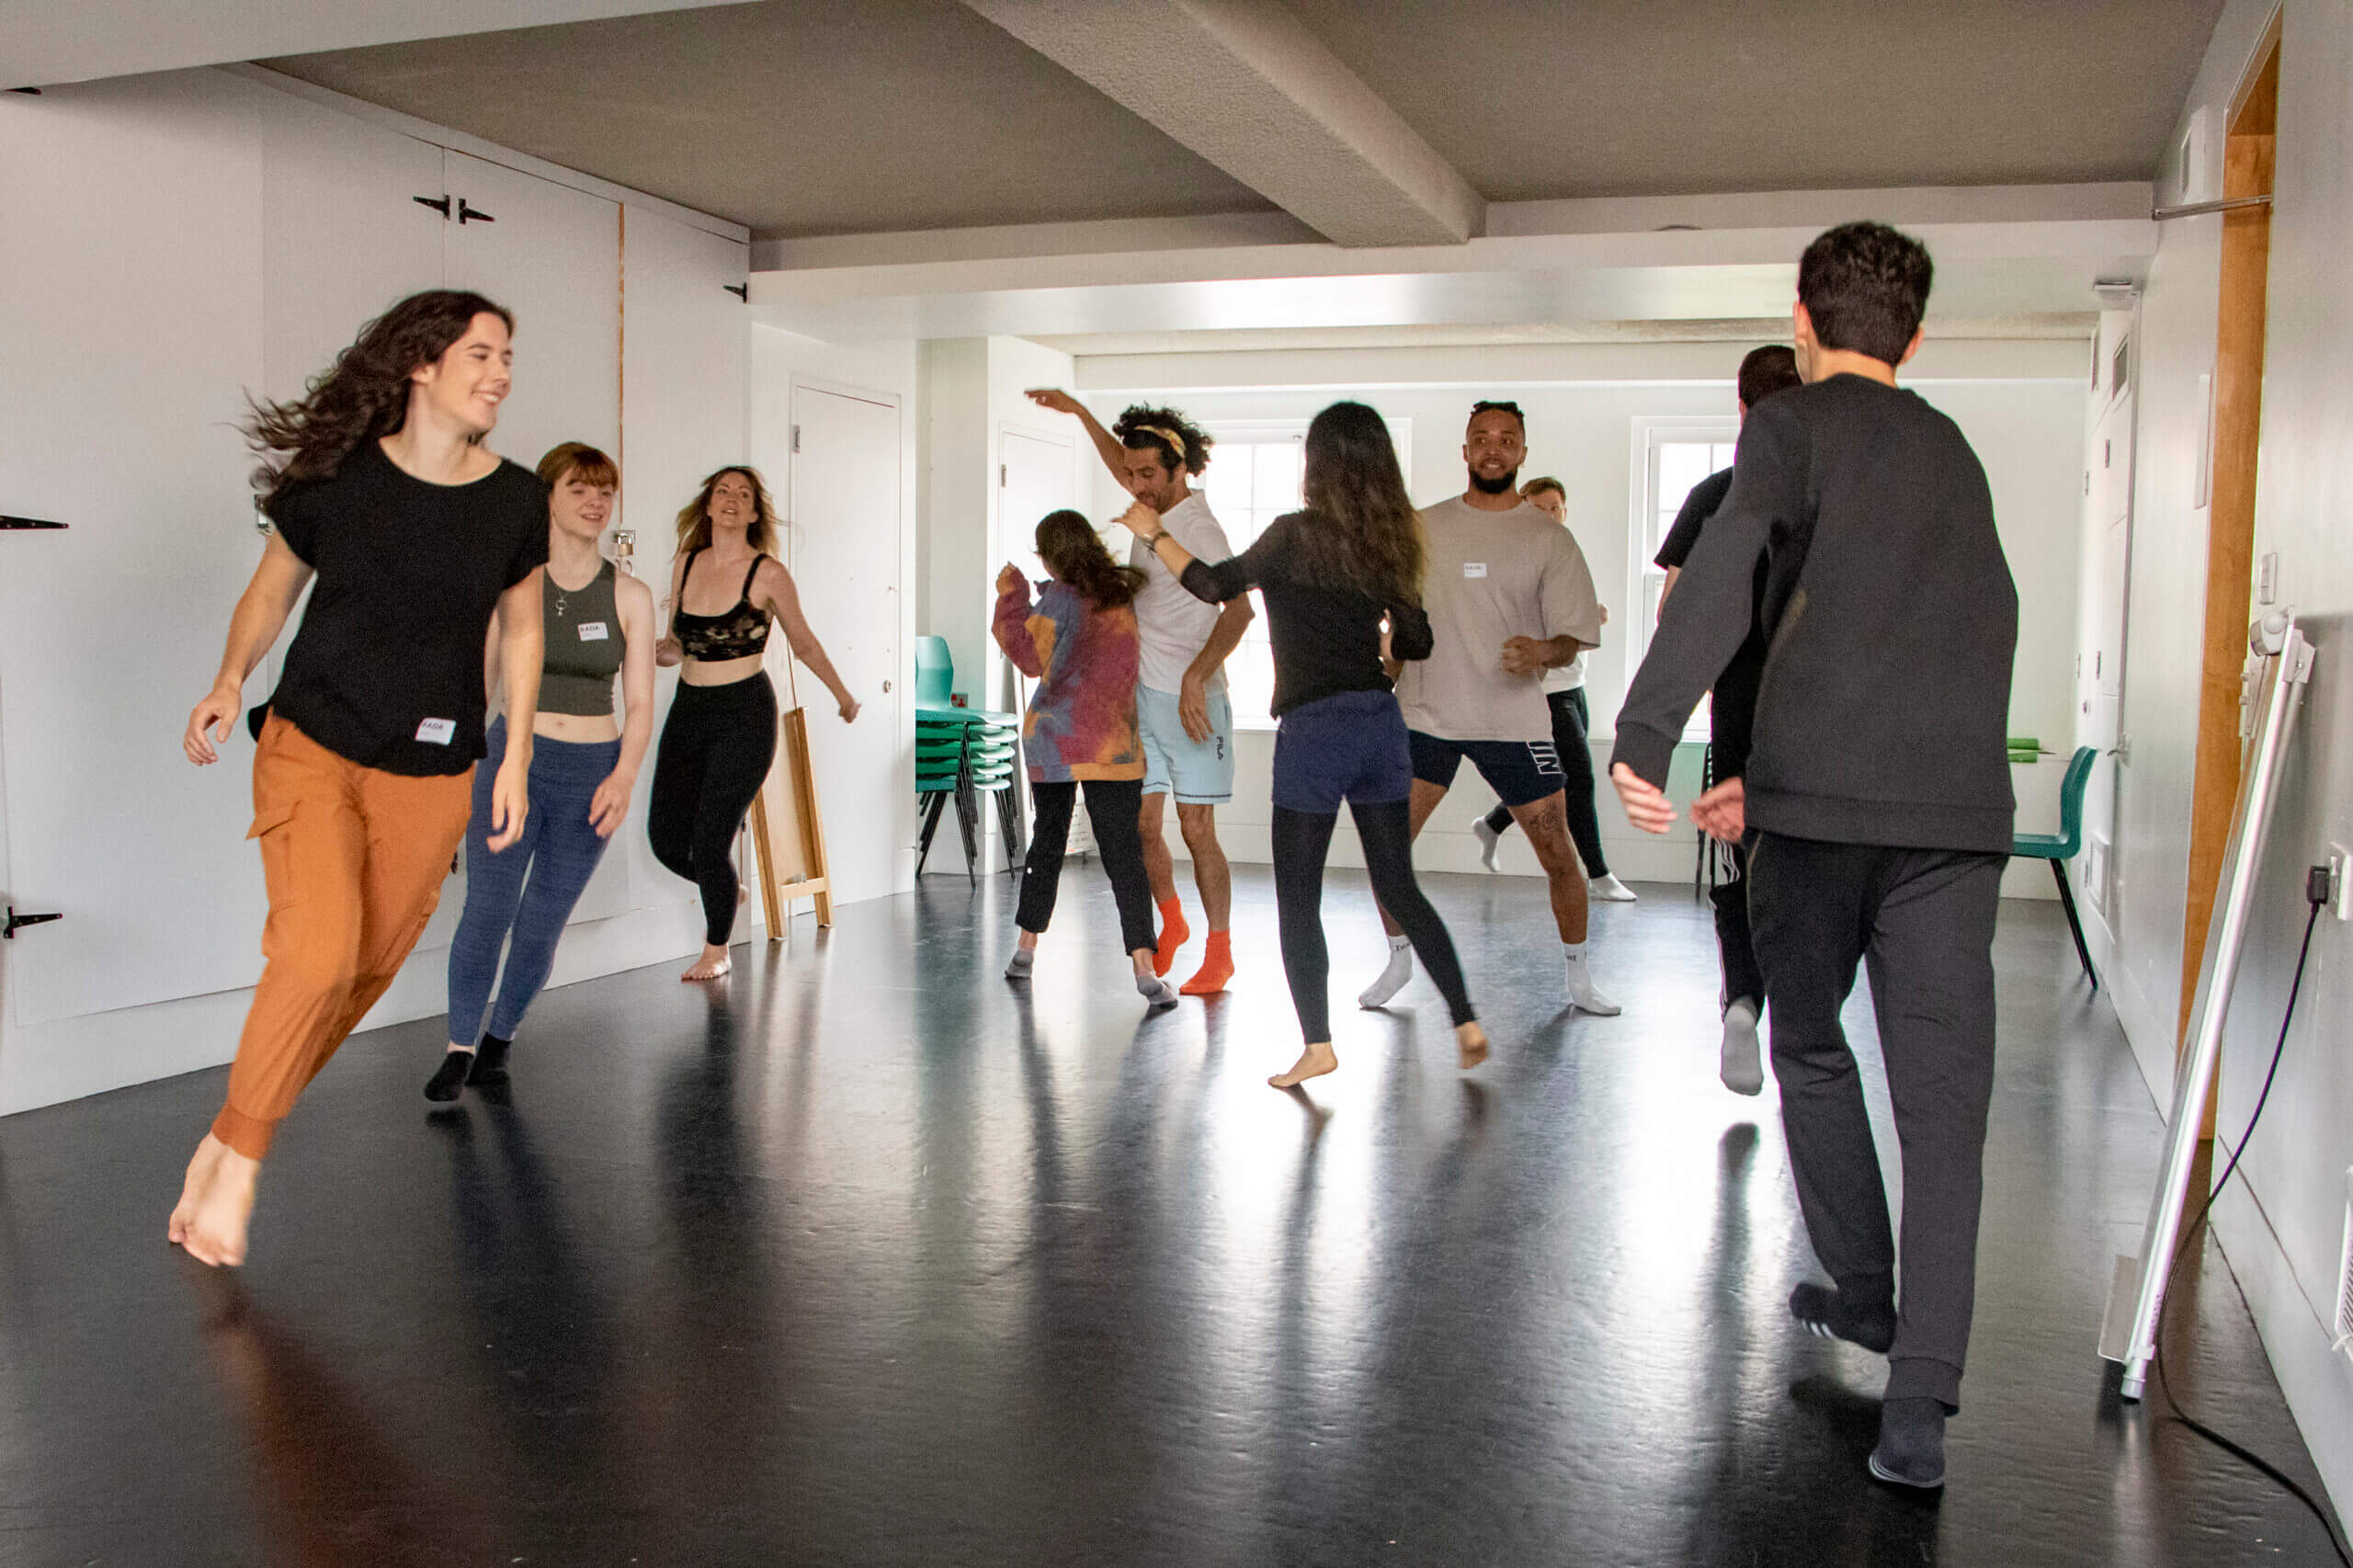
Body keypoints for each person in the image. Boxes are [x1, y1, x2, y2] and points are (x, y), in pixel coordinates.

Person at [1610, 222, 2018, 1491]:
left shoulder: (1786, 427)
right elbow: (1963, 621)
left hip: (1823, 823)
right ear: (1918, 333)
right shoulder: (1952, 450)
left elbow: (1728, 567)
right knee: (1946, 1111)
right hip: (1952, 820)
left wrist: (1647, 728)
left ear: (1803, 318)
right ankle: (1918, 1410)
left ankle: (1867, 1289)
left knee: (1805, 1041)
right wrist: (1771, 781)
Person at [173, 290, 548, 1267]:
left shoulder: (515, 499)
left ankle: (224, 1133)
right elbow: (269, 591)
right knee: (317, 952)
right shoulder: (337, 478)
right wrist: (226, 681)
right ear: (421, 364)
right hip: (314, 742)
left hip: (432, 767)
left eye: (507, 355)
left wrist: (512, 755)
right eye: (481, 353)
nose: (501, 372)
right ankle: (242, 1166)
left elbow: (524, 628)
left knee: (365, 967)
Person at [1122, 401, 1486, 1088]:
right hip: (1380, 726)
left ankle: (1318, 1045)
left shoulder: (1294, 535)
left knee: (1298, 898)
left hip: (1315, 734)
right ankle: (1465, 1018)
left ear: (1315, 464)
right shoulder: (1388, 541)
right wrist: (1384, 647)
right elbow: (1417, 641)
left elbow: (1212, 584)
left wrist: (1152, 532)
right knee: (1398, 884)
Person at [1358, 401, 1618, 1018]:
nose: (1493, 449)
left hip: (1512, 720)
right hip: (1427, 715)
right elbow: (1390, 614)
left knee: (1559, 851)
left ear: (1522, 452)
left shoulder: (1548, 537)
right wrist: (1383, 667)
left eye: (1506, 439)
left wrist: (1544, 650)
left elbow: (1575, 634)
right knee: (1386, 849)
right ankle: (1398, 958)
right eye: (1481, 438)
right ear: (1466, 451)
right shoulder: (1421, 527)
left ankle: (1579, 978)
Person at [426, 442, 657, 1102]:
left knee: (542, 922)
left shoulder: (631, 596)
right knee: (487, 911)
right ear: (547, 497)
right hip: (513, 765)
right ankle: (458, 1046)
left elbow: (641, 702)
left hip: (593, 772)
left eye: (605, 491)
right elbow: (481, 685)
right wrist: (453, 776)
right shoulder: (515, 584)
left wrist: (624, 775)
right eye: (580, 489)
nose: (595, 502)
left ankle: (500, 1038)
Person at [1025, 391, 1251, 994]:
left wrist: (1197, 678)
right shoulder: (1150, 501)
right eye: (1132, 473)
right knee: (1141, 830)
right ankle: (1170, 923)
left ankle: (1220, 951)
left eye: (1149, 473)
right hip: (1137, 705)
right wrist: (1078, 413)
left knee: (1196, 828)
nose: (1137, 484)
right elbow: (1122, 461)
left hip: (1193, 701)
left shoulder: (1199, 528)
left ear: (1181, 469)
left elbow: (1241, 611)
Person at [1649, 346, 1804, 1096]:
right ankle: (1806, 1022)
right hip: (1827, 723)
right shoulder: (1838, 495)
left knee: (1746, 869)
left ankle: (1742, 997)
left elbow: (1676, 619)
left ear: (1740, 408)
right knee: (1813, 875)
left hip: (1742, 715)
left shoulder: (1717, 494)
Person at [650, 466, 859, 983]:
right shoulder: (684, 564)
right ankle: (725, 887)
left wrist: (842, 695)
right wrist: (662, 650)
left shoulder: (767, 574)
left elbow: (803, 642)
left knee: (710, 838)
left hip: (744, 714)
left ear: (753, 512)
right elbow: (679, 644)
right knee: (664, 839)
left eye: (743, 495)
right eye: (722, 491)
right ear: (707, 505)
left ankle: (716, 949)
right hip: (689, 708)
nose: (731, 499)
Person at [993, 510, 1180, 1011]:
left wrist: (1012, 597)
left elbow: (1029, 658)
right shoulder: (1123, 595)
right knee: (1124, 856)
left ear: (1052, 555)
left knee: (1047, 847)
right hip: (1113, 744)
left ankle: (1025, 951)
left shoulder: (1056, 599)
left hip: (1055, 743)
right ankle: (1145, 965)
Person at [1472, 476, 1637, 904]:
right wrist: (1584, 620)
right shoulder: (1516, 558)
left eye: (1556, 507)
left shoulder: (1565, 554)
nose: (1549, 515)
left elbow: (1573, 615)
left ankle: (1492, 823)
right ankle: (1598, 875)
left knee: (1556, 779)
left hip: (1575, 685)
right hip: (1548, 692)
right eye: (1540, 507)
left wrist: (1591, 614)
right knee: (1578, 780)